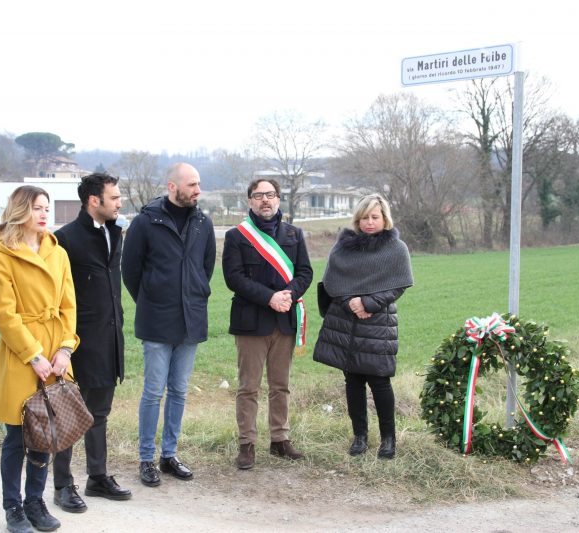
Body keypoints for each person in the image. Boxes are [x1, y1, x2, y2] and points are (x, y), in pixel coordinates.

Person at [0, 185, 79, 533]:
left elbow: (69, 305)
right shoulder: (0, 255)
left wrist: (65, 349)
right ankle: (12, 506)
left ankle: (35, 502)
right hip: (21, 355)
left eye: (46, 208)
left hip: (56, 355)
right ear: (20, 210)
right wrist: (33, 355)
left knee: (45, 434)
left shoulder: (58, 252)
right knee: (17, 436)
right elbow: (5, 315)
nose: (44, 214)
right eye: (37, 208)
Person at [121, 162, 216, 487]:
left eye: (199, 184)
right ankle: (146, 458)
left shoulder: (203, 223)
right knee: (153, 391)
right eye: (192, 184)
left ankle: (169, 455)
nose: (198, 190)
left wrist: (194, 294)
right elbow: (130, 270)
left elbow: (206, 267)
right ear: (173, 187)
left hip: (191, 320)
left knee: (178, 390)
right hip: (157, 321)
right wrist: (151, 300)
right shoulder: (145, 222)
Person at [52, 172, 131, 512]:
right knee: (70, 415)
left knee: (99, 413)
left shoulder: (114, 232)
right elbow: (56, 296)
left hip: (110, 338)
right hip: (76, 343)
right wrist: (62, 344)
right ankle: (62, 485)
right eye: (114, 197)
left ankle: (97, 477)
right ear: (93, 201)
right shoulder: (64, 239)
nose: (119, 203)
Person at [313, 193, 413, 459]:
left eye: (374, 217)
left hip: (378, 322)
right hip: (346, 322)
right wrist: (350, 303)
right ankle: (360, 436)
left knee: (380, 381)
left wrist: (368, 303)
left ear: (384, 218)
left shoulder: (396, 249)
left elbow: (399, 284)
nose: (369, 222)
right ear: (357, 220)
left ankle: (388, 440)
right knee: (353, 380)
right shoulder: (343, 248)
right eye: (364, 218)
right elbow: (332, 282)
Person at [222, 178, 313, 470]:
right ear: (250, 200)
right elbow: (234, 278)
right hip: (251, 323)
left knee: (280, 385)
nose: (265, 200)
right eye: (259, 195)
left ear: (278, 199)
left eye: (270, 194)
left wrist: (288, 296)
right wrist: (270, 298)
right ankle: (247, 444)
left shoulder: (294, 234)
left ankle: (280, 440)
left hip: (284, 320)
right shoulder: (237, 236)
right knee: (249, 387)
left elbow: (305, 272)